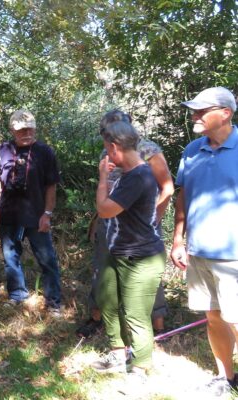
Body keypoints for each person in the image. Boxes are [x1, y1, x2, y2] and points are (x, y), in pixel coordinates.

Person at [77, 110, 174, 337]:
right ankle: (97, 317)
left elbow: (167, 187)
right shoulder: (106, 151)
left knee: (147, 275)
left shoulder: (148, 150)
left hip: (140, 227)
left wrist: (153, 218)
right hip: (110, 222)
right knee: (102, 268)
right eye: (106, 133)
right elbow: (107, 188)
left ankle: (158, 324)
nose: (110, 137)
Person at [171, 87, 238, 397]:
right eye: (193, 110)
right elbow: (182, 195)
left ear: (225, 113)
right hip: (198, 252)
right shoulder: (192, 150)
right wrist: (177, 240)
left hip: (233, 256)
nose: (194, 115)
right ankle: (226, 377)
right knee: (213, 317)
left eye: (201, 110)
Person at [90, 120, 165, 376]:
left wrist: (102, 178)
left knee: (135, 315)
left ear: (114, 147)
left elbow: (105, 209)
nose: (106, 154)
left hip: (141, 257)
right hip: (117, 251)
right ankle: (117, 353)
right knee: (107, 299)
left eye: (106, 148)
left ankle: (141, 369)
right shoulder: (127, 174)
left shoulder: (139, 176)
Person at [0, 110, 62, 316]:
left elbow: (51, 186)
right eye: (21, 129)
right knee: (10, 258)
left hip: (36, 215)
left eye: (29, 128)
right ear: (12, 130)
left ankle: (53, 302)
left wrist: (48, 213)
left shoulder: (45, 152)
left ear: (35, 128)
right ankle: (17, 294)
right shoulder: (3, 150)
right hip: (9, 214)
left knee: (47, 259)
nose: (26, 132)